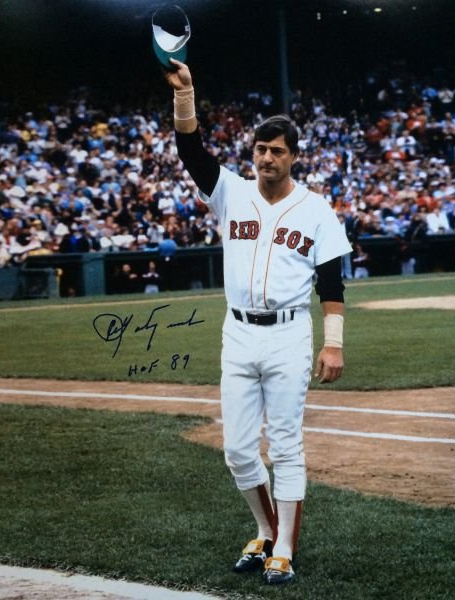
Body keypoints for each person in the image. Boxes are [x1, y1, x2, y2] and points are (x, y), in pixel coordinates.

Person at [164, 59, 352, 585]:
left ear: (294, 156)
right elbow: (192, 152)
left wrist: (333, 343)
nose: (267, 158)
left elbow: (332, 285)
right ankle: (265, 529)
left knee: (286, 444)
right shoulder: (232, 191)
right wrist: (185, 96)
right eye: (260, 149)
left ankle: (284, 547)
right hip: (238, 333)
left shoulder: (316, 210)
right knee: (238, 450)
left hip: (289, 333)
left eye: (277, 151)